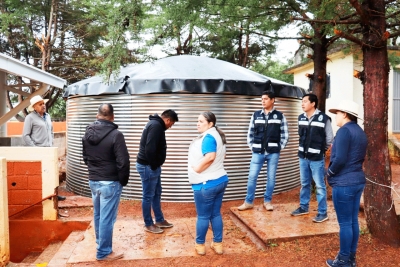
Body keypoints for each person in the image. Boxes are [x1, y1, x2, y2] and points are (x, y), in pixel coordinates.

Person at [82, 103, 130, 261]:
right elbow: (123, 162)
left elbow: (85, 158)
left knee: (98, 214)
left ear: (97, 116)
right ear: (112, 117)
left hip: (93, 180)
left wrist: (94, 172)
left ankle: (100, 242)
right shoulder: (116, 135)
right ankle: (103, 252)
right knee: (107, 218)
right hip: (110, 182)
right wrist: (122, 181)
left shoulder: (86, 134)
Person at [325, 100, 367, 267]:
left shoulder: (344, 131)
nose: (336, 116)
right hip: (357, 181)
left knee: (345, 223)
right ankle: (350, 258)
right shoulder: (360, 132)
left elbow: (340, 158)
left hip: (344, 183)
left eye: (337, 113)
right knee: (352, 221)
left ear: (344, 114)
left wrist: (330, 173)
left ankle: (343, 260)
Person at [237, 91, 289, 211]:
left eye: (265, 99)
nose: (263, 101)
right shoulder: (255, 115)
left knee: (271, 178)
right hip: (258, 152)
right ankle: (249, 202)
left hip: (273, 153)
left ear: (272, 100)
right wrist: (253, 147)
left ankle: (267, 201)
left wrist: (278, 148)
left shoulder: (280, 116)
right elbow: (249, 133)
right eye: (262, 99)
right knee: (252, 177)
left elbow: (285, 135)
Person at [188, 111, 229, 256]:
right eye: (197, 121)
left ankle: (200, 245)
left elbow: (210, 157)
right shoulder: (218, 135)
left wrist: (197, 169)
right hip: (220, 180)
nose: (197, 124)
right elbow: (222, 155)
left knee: (203, 216)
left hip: (206, 183)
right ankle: (217, 244)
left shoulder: (209, 137)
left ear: (210, 124)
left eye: (201, 121)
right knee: (215, 214)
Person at [291, 93, 333, 223]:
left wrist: (321, 151)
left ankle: (322, 212)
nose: (302, 104)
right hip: (302, 157)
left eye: (305, 101)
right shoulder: (301, 118)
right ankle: (304, 207)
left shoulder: (324, 119)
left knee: (320, 186)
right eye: (302, 102)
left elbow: (329, 139)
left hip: (316, 158)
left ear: (313, 103)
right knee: (304, 184)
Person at [136, 109, 179, 234]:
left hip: (151, 166)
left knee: (156, 193)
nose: (170, 127)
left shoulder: (156, 125)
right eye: (171, 124)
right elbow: (149, 149)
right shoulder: (156, 126)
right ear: (168, 120)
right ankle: (148, 224)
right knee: (148, 196)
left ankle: (159, 220)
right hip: (148, 166)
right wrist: (154, 165)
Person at [22, 95, 66, 201]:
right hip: (38, 150)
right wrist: (35, 148)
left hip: (49, 150)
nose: (43, 106)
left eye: (43, 103)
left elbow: (50, 131)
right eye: (40, 104)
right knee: (40, 174)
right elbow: (25, 135)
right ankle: (40, 196)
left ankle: (53, 194)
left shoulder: (48, 116)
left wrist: (51, 143)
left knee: (51, 172)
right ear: (34, 107)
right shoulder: (30, 118)